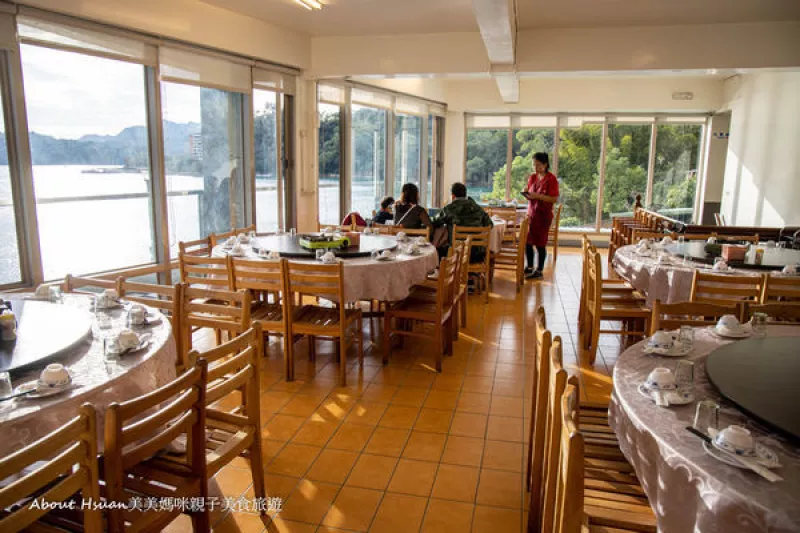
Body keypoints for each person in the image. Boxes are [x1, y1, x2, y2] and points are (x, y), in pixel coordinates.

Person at [431, 182, 493, 261]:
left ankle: (447, 272)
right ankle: (474, 272)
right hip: (477, 254)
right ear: (465, 194)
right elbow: (490, 225)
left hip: (457, 254)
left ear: (453, 196)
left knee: (439, 250)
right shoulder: (477, 208)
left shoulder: (449, 209)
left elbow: (435, 222)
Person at [521, 152, 559, 279]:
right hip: (532, 213)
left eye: (538, 165)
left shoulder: (551, 179)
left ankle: (539, 270)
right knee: (528, 241)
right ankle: (530, 266)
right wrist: (527, 193)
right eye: (534, 165)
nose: (536, 168)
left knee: (540, 243)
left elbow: (554, 199)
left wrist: (538, 196)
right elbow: (530, 194)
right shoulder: (532, 177)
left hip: (543, 216)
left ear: (545, 165)